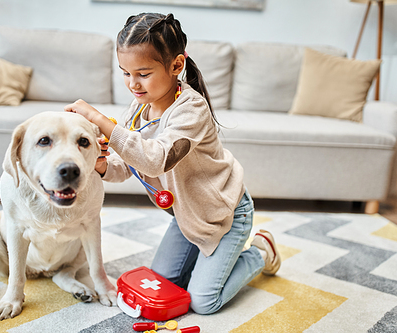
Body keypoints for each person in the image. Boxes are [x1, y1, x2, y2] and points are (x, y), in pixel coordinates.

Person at [65, 12, 281, 315]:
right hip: (186, 215)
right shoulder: (139, 108)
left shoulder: (190, 109)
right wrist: (100, 163)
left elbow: (156, 160)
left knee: (203, 302)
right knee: (164, 286)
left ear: (176, 65)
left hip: (223, 213)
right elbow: (125, 166)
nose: (133, 84)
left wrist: (101, 121)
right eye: (125, 73)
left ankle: (260, 251)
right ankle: (207, 263)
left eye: (142, 73)